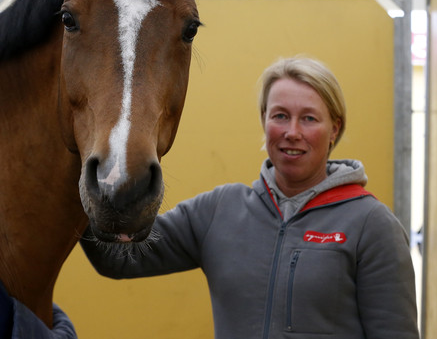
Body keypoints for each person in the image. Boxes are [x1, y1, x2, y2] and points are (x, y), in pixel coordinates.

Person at [80, 56, 419, 338]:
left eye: (310, 118)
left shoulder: (372, 226)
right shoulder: (219, 211)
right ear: (264, 120)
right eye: (280, 115)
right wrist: (79, 181)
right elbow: (119, 257)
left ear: (334, 129)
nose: (292, 132)